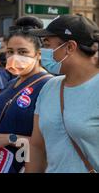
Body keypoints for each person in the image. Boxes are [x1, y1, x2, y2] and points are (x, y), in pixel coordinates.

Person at [26, 15, 99, 173]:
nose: (42, 52)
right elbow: (36, 146)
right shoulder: (49, 87)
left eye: (47, 44)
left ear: (70, 47)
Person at [0, 17, 53, 173]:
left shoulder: (48, 86)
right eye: (10, 52)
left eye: (23, 52)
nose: (15, 57)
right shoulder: (12, 82)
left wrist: (10, 138)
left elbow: (49, 142)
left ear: (39, 54)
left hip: (27, 166)